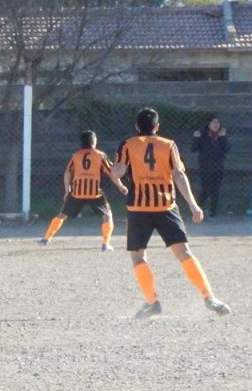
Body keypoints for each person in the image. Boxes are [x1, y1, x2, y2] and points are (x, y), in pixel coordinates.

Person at [111, 107, 231, 319]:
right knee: (184, 252)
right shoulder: (168, 145)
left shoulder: (127, 144)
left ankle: (152, 302)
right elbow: (178, 174)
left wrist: (118, 179)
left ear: (137, 127)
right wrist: (193, 205)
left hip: (138, 208)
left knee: (138, 257)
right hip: (166, 206)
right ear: (157, 127)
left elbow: (117, 170)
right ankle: (208, 296)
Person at [38, 130, 128, 250]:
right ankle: (105, 244)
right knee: (108, 216)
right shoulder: (100, 155)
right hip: (95, 193)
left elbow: (68, 172)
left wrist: (67, 190)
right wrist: (121, 186)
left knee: (62, 215)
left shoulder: (76, 156)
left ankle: (46, 239)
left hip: (76, 192)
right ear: (94, 141)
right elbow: (112, 173)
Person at [191, 115, 230, 218]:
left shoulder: (221, 135)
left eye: (217, 123)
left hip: (218, 167)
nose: (215, 125)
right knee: (206, 189)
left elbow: (226, 149)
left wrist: (223, 137)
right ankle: (197, 208)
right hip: (205, 166)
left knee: (216, 190)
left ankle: (213, 212)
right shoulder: (203, 134)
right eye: (213, 122)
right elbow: (193, 149)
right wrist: (196, 138)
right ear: (208, 124)